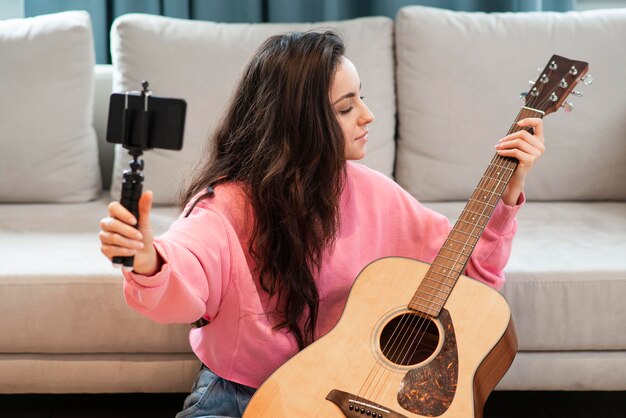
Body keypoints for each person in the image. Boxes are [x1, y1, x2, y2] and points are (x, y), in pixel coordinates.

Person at [99, 31, 544, 418]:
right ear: (300, 122)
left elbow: (465, 283)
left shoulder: (373, 191)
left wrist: (507, 194)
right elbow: (184, 274)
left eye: (362, 98)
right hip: (240, 394)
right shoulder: (225, 206)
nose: (368, 116)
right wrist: (147, 260)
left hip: (347, 392)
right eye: (346, 108)